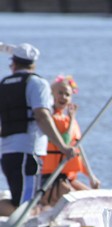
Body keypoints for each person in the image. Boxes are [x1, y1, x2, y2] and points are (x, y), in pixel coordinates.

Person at [0, 43, 75, 216]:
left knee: (21, 199)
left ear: (14, 63)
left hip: (6, 151)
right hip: (28, 150)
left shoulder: (3, 84)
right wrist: (63, 147)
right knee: (27, 204)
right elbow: (42, 115)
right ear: (33, 64)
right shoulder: (37, 83)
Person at [40, 75, 100, 206]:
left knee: (94, 198)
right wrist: (72, 118)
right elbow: (65, 143)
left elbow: (78, 152)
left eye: (67, 94)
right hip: (51, 177)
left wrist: (91, 176)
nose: (63, 97)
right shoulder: (50, 118)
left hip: (67, 177)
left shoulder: (67, 119)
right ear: (51, 95)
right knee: (76, 200)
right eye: (60, 93)